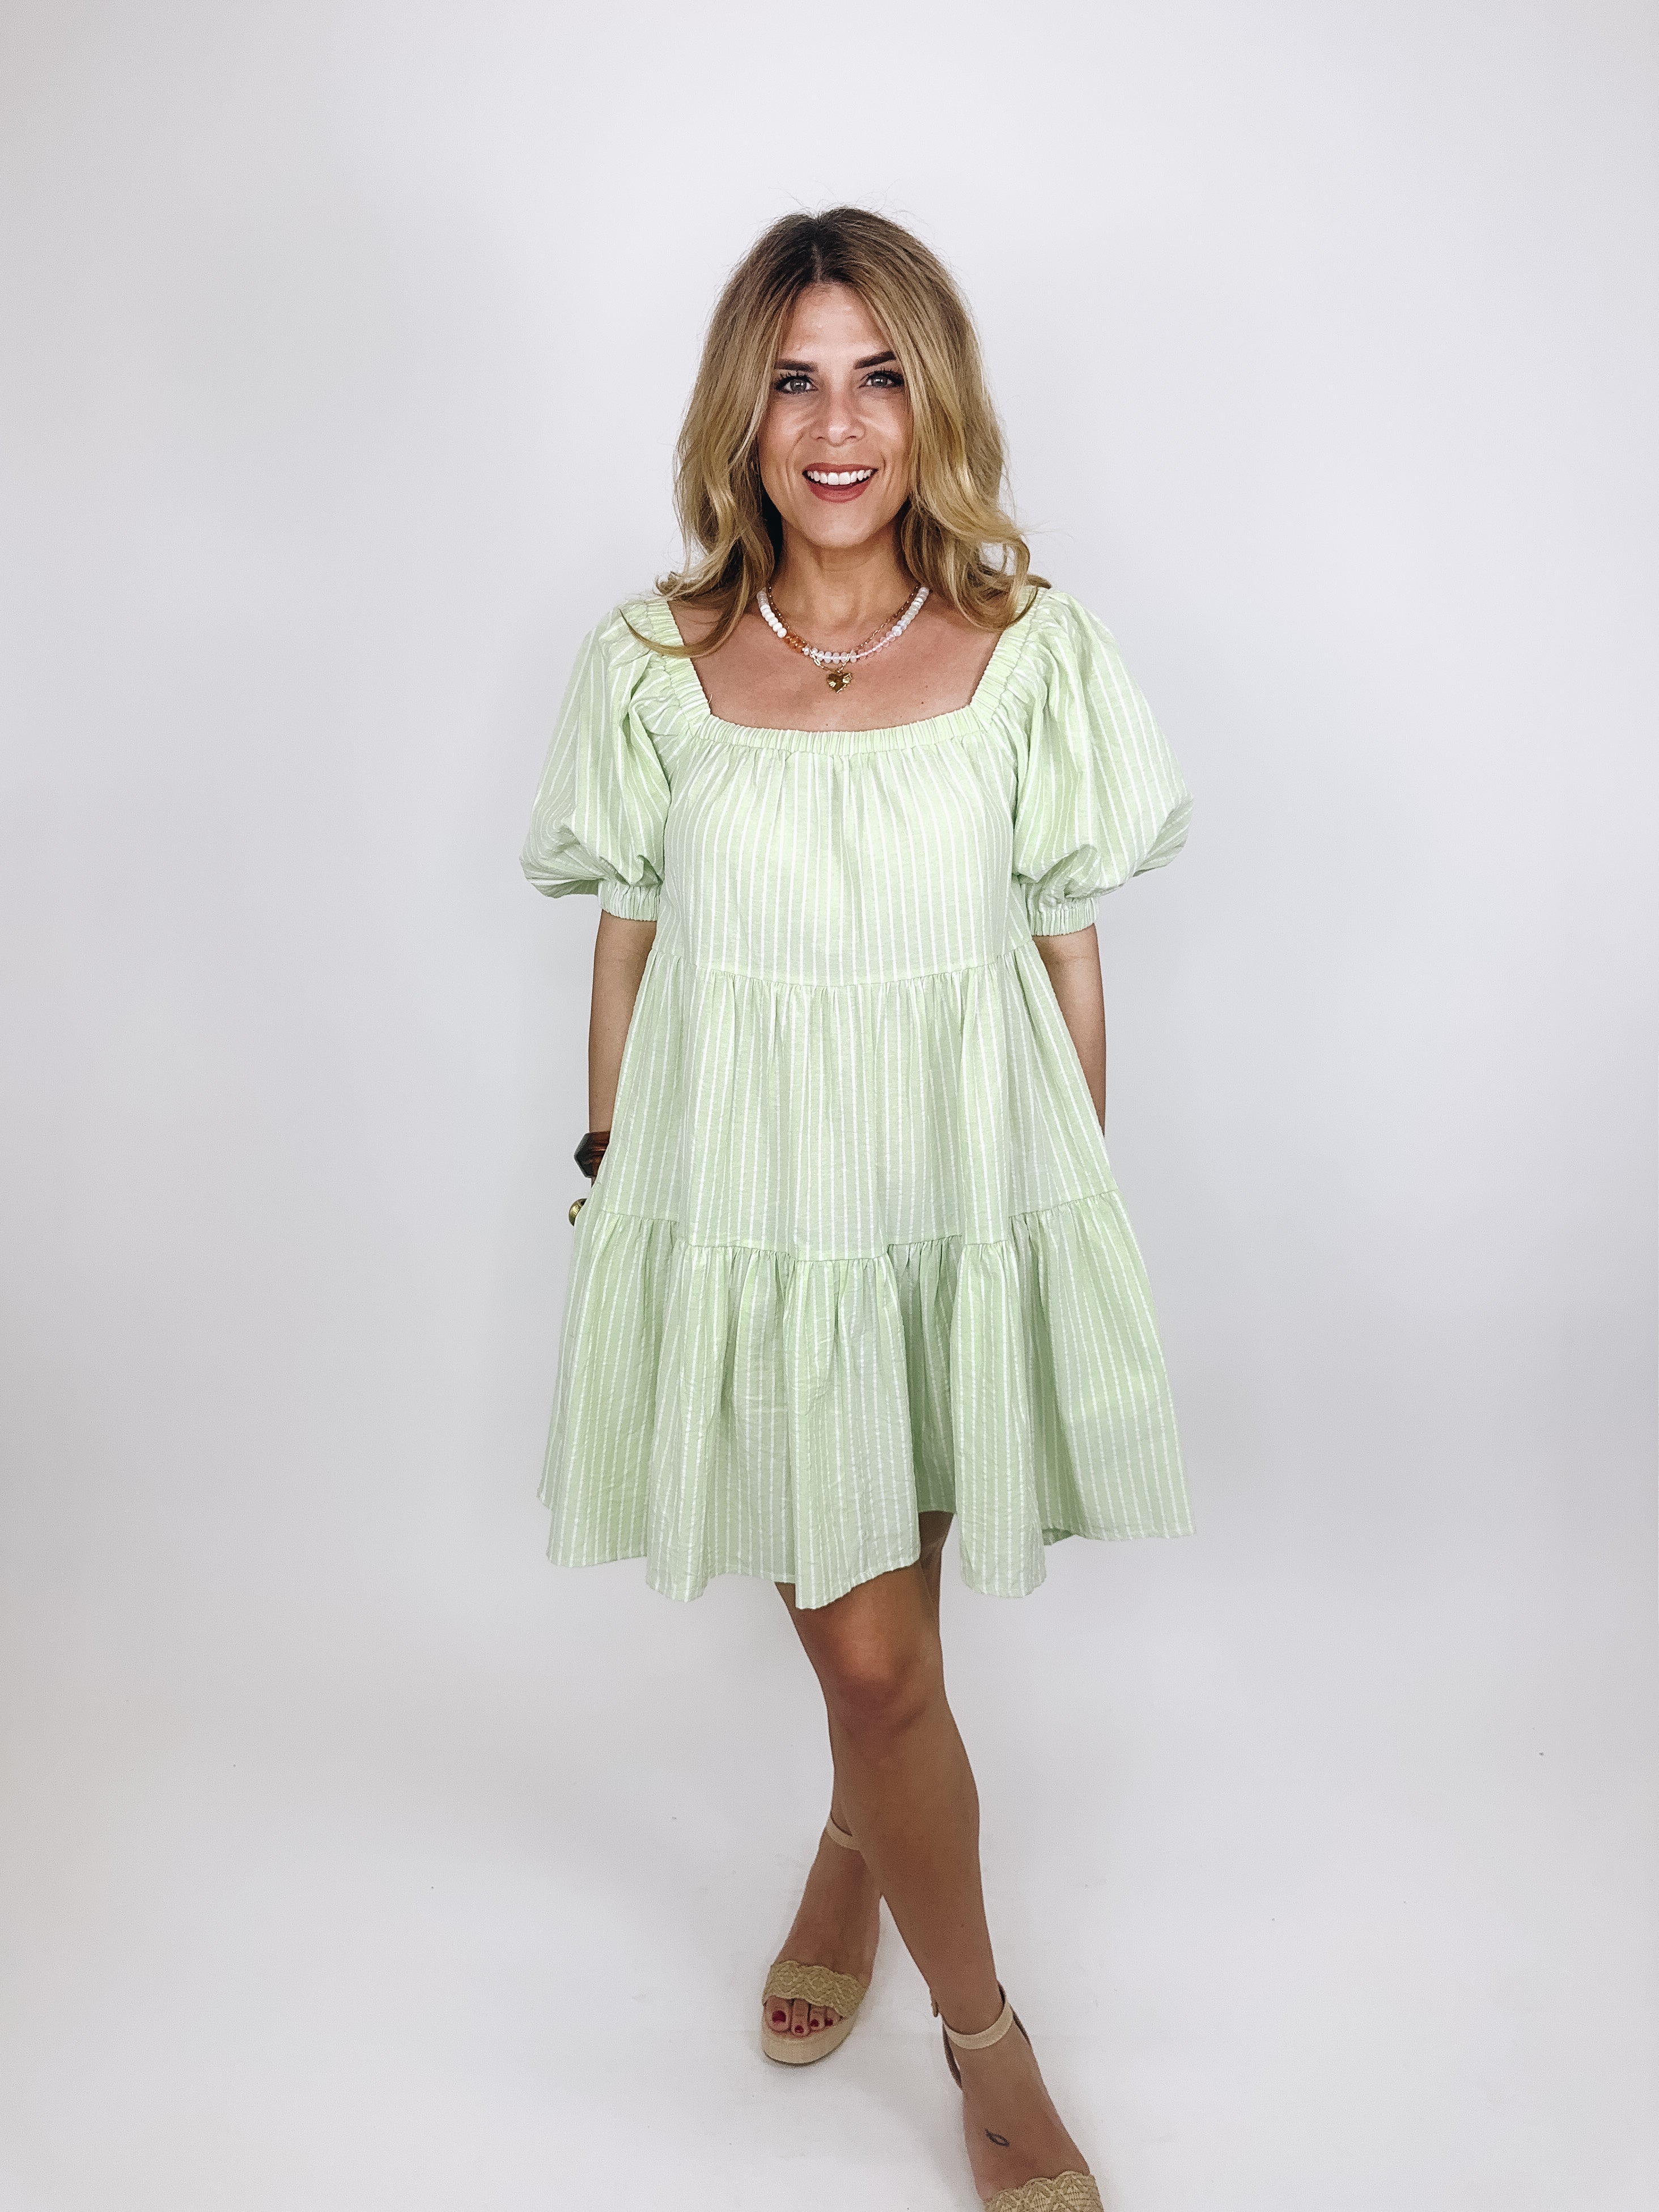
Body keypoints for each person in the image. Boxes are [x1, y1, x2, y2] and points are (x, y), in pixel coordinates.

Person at [520, 205, 1192, 2212]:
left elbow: (1068, 958)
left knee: (892, 1606)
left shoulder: (1028, 655)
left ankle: (846, 1852)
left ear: (935, 403)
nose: (838, 425)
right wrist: (613, 1193)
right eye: (798, 380)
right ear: (742, 415)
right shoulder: (653, 666)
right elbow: (626, 948)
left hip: (956, 1218)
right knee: (882, 1664)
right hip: (750, 1229)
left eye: (881, 376)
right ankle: (990, 2051)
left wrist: (1046, 1233)